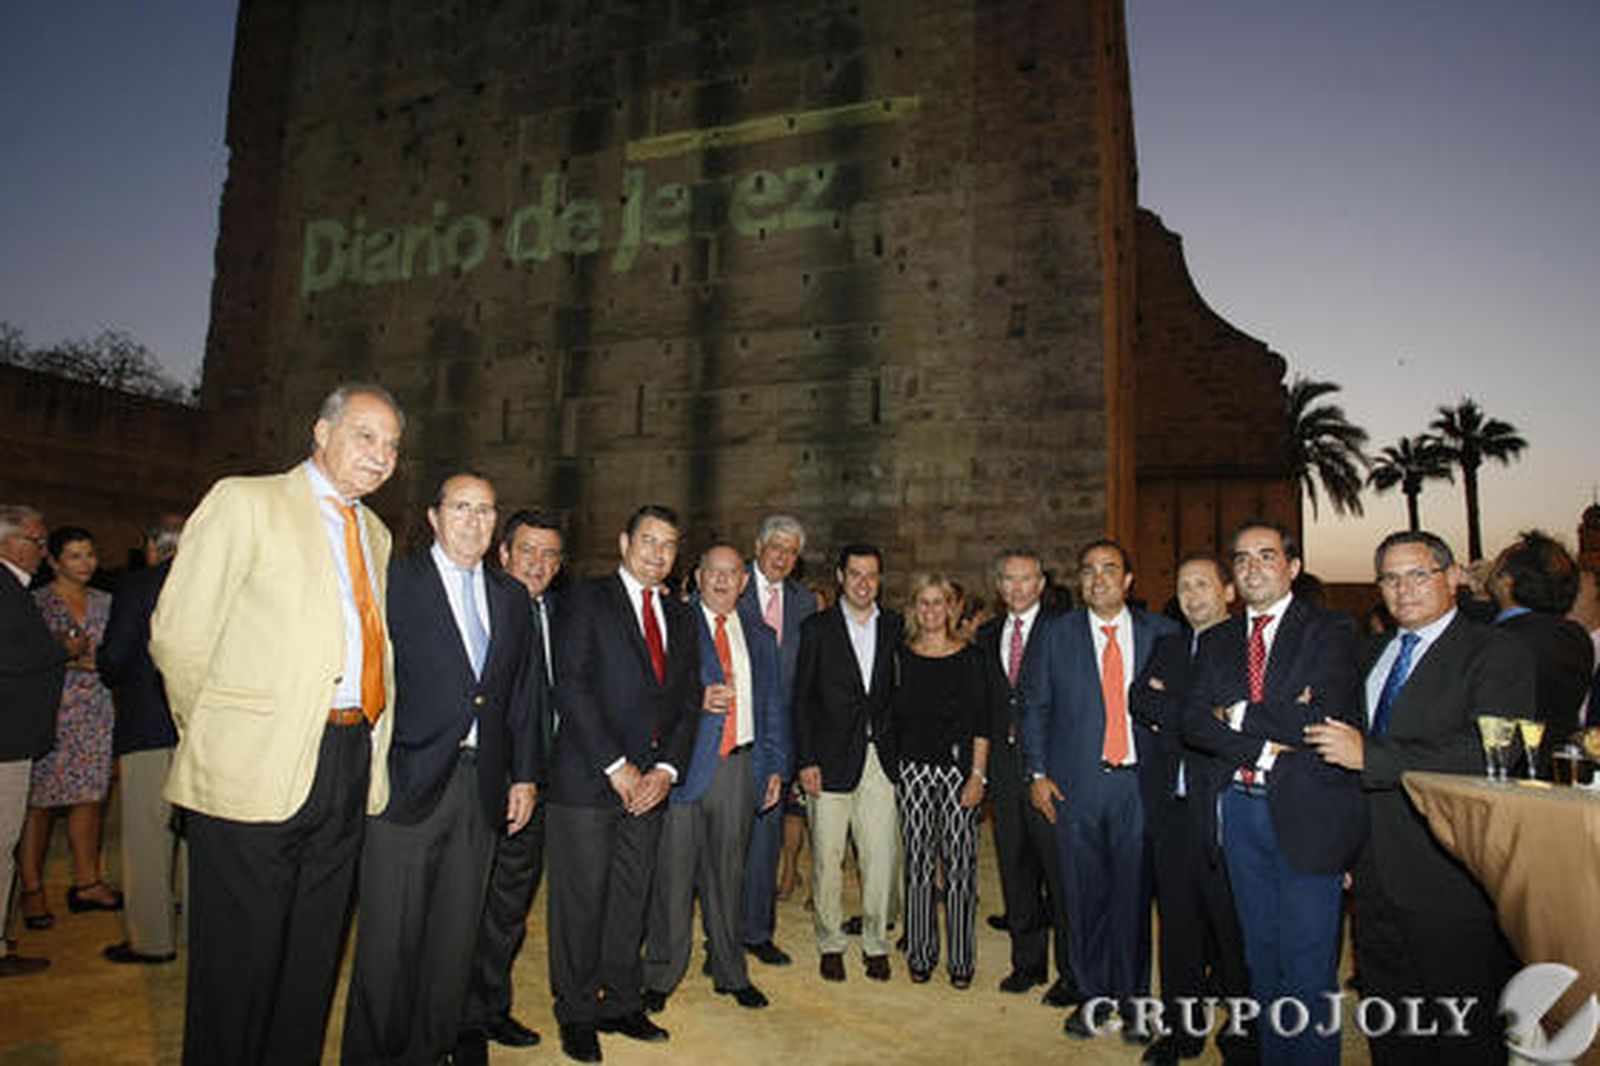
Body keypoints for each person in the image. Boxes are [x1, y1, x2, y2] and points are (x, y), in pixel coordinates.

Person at [150, 382, 403, 1066]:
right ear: (321, 433)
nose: (380, 456)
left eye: (391, 445)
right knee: (238, 967)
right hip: (254, 766)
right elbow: (179, 635)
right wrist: (223, 732)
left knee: (312, 958)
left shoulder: (375, 533)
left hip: (348, 758)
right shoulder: (246, 502)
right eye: (365, 435)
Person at [1306, 531, 1531, 1065]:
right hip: (1372, 873)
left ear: (1453, 577)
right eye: (1389, 578)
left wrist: (1374, 758)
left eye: (1418, 574)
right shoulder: (1372, 653)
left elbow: (1495, 748)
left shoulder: (1495, 651)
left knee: (1461, 1026)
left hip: (1449, 874)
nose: (1403, 589)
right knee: (1391, 1017)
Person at [342, 473, 541, 1065]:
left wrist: (525, 773)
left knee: (453, 943)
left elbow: (524, 693)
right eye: (461, 507)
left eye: (486, 510)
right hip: (407, 786)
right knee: (388, 945)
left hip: (481, 790)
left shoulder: (510, 597)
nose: (475, 521)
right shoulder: (394, 582)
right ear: (433, 516)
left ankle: (429, 1051)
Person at [1183, 521, 1366, 1066]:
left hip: (1309, 815)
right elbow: (1193, 721)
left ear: (1293, 567)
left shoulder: (1330, 630)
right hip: (1239, 814)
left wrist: (1236, 712)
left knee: (1308, 969)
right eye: (1241, 559)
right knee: (1261, 961)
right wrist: (1263, 748)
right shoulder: (1216, 640)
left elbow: (1319, 715)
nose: (1252, 567)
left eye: (1266, 556)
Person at [546, 504, 700, 1064]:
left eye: (669, 545)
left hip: (651, 788)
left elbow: (687, 702)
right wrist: (619, 766)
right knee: (581, 903)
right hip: (590, 782)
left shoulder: (682, 616)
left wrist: (666, 771)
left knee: (630, 900)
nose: (658, 553)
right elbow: (573, 684)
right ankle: (578, 1011)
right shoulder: (587, 599)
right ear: (624, 542)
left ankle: (622, 1001)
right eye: (649, 541)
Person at [1022, 539, 1177, 1040]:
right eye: (1088, 571)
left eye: (1109, 569)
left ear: (1129, 580)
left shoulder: (1162, 634)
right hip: (1075, 788)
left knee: (1132, 899)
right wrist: (1037, 773)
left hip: (1138, 787)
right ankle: (1092, 999)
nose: (1097, 579)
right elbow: (1035, 707)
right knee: (1083, 898)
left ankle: (1134, 1003)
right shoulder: (1055, 634)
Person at [643, 541, 787, 1011]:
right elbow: (650, 693)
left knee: (729, 874)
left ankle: (730, 970)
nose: (723, 581)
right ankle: (661, 975)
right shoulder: (674, 624)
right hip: (683, 766)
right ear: (697, 577)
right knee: (673, 878)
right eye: (713, 572)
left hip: (740, 766)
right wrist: (694, 702)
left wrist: (773, 766)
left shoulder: (761, 635)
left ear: (745, 581)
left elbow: (772, 708)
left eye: (732, 573)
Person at [1129, 554, 1252, 1065]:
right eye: (1183, 585)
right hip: (1172, 810)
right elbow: (1139, 699)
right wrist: (1203, 715)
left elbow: (1242, 721)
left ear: (1228, 592)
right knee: (1177, 926)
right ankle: (1182, 1032)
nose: (1192, 594)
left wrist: (1174, 710)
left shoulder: (1247, 647)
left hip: (1226, 811)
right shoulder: (1168, 645)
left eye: (1203, 584)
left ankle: (1244, 1036)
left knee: (1234, 930)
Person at [462, 508, 565, 1051]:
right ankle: (459, 1022)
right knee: (466, 909)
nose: (538, 564)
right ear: (503, 554)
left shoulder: (550, 612)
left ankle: (488, 1007)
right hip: (482, 784)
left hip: (537, 785)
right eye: (527, 551)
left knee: (508, 908)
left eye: (550, 555)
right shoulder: (483, 608)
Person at [792, 543, 902, 983]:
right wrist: (806, 759)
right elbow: (800, 701)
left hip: (881, 760)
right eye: (855, 573)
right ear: (840, 576)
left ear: (880, 580)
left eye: (871, 575)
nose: (863, 582)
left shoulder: (895, 625)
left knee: (879, 858)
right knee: (827, 859)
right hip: (829, 760)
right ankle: (830, 942)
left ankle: (876, 943)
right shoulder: (816, 629)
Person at [977, 548, 1077, 1005]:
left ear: (1041, 585)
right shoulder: (988, 633)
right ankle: (1027, 963)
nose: (1016, 588)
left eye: (1025, 580)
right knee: (1014, 869)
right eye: (1008, 580)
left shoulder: (1064, 630)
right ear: (999, 587)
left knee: (1059, 875)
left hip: (1049, 771)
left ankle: (1072, 974)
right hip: (1002, 769)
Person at [18, 526, 122, 928]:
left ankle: (87, 881)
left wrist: (93, 665)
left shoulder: (107, 602)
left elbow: (116, 654)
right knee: (39, 805)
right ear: (54, 560)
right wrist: (77, 661)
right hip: (49, 710)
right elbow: (29, 654)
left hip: (95, 710)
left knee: (89, 800)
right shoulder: (35, 604)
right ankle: (32, 890)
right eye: (75, 556)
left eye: (90, 554)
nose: (86, 563)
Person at [97, 513, 187, 965]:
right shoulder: (219, 583)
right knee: (198, 836)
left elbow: (113, 659)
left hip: (148, 723)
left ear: (153, 546)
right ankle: (199, 932)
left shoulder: (138, 587)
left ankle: (151, 940)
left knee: (148, 837)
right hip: (201, 729)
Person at [893, 572, 988, 987]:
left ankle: (962, 960)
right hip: (912, 772)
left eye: (939, 602)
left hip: (958, 774)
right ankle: (921, 951)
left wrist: (978, 775)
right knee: (916, 865)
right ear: (915, 608)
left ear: (952, 608)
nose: (931, 610)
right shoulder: (901, 655)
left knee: (961, 867)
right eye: (924, 602)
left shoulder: (971, 656)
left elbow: (982, 721)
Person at [735, 514, 814, 966]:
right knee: (725, 841)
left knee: (766, 838)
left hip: (778, 738)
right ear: (759, 546)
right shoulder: (731, 585)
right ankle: (720, 935)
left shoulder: (804, 603)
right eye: (776, 547)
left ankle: (757, 932)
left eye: (791, 551)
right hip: (732, 732)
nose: (782, 557)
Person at [0, 504, 68, 978]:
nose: (43, 553)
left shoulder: (13, 589)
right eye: (36, 541)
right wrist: (62, 649)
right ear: (7, 541)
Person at [1487, 529, 1593, 772]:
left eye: (1497, 565)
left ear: (1507, 582)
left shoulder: (1501, 641)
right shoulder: (1575, 637)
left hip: (1512, 777)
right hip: (1558, 771)